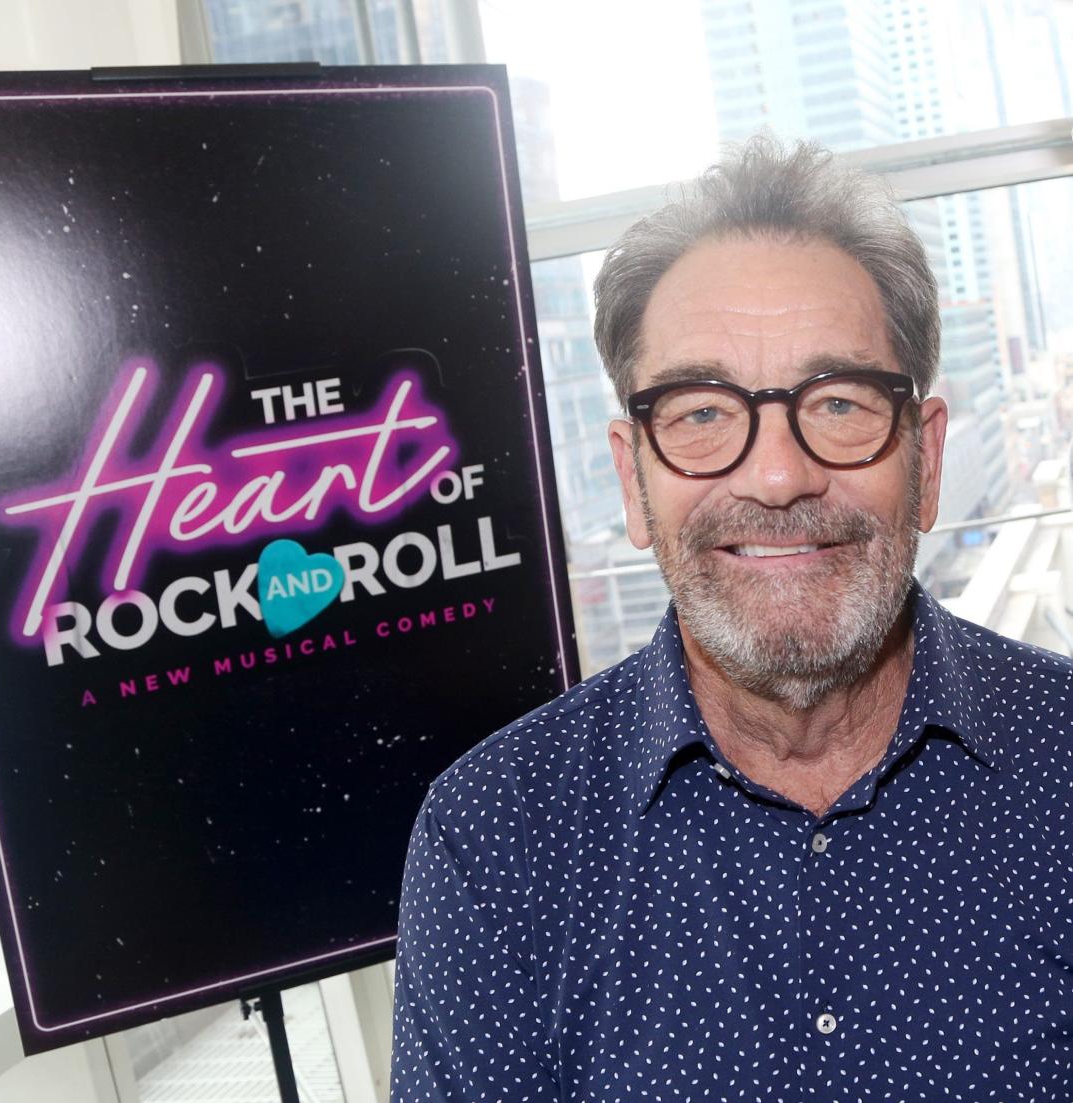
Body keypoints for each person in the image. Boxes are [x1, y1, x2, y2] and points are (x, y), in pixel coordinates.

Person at [388, 133, 1073, 1102]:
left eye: (839, 402)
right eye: (702, 412)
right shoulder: (495, 840)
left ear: (924, 458)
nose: (780, 474)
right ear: (632, 478)